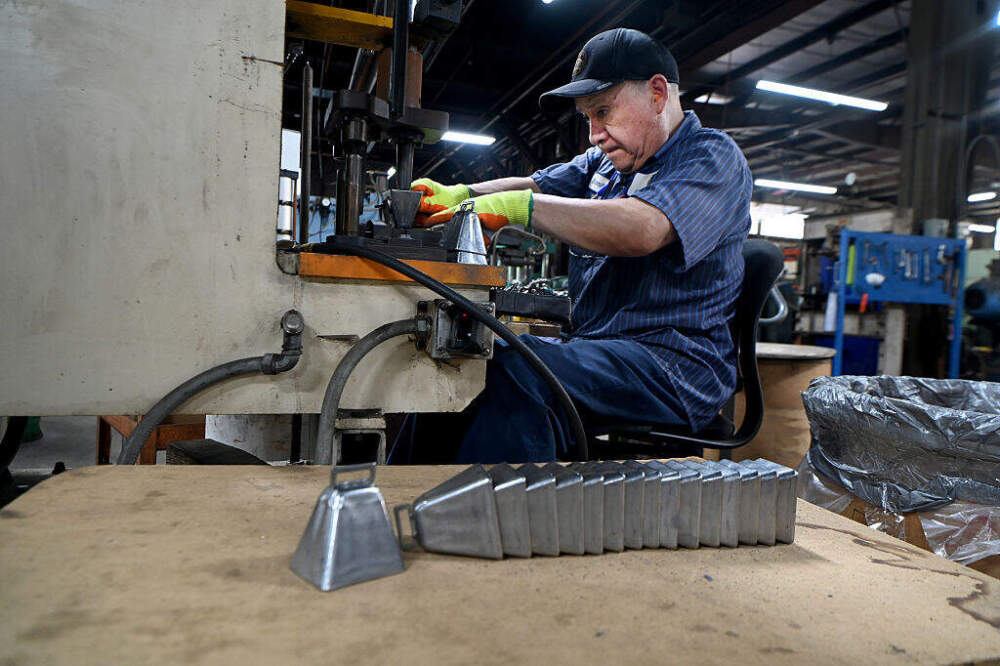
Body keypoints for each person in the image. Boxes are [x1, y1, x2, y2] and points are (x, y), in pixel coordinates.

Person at [390, 28, 752, 464]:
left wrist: (518, 208)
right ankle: (402, 503)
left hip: (674, 365)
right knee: (466, 359)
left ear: (657, 93)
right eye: (587, 118)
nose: (594, 134)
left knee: (519, 373)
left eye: (603, 111)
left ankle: (501, 523)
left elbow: (643, 229)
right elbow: (535, 183)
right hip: (601, 347)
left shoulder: (711, 156)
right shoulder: (607, 162)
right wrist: (463, 193)